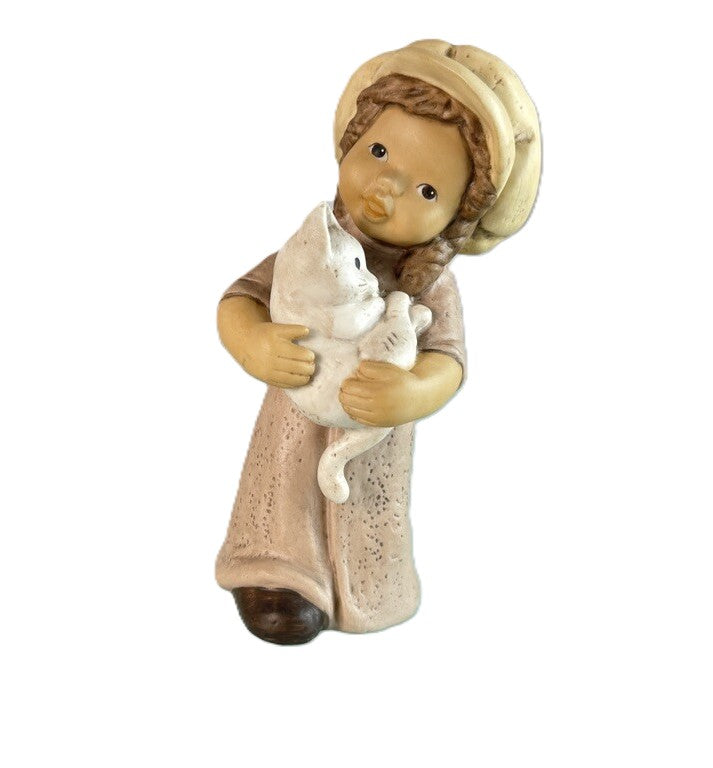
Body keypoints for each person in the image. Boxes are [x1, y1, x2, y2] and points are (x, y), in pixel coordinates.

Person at [216, 40, 541, 644]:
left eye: (427, 191)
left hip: (373, 418)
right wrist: (253, 340)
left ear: (458, 215)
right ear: (352, 140)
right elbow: (242, 296)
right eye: (379, 151)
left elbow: (448, 359)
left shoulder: (430, 281)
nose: (386, 186)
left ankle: (364, 584)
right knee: (283, 479)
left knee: (365, 498)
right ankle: (277, 573)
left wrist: (412, 392)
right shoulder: (315, 243)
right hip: (297, 397)